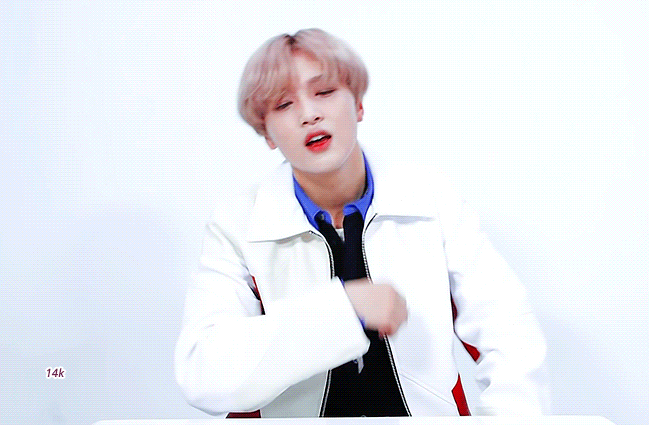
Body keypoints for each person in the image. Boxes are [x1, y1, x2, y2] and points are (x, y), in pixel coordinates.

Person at [174, 28, 549, 417]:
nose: (309, 114)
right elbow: (203, 374)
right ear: (266, 132)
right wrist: (343, 310)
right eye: (284, 104)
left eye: (324, 92)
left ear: (358, 105)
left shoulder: (431, 199)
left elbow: (508, 334)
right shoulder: (237, 224)